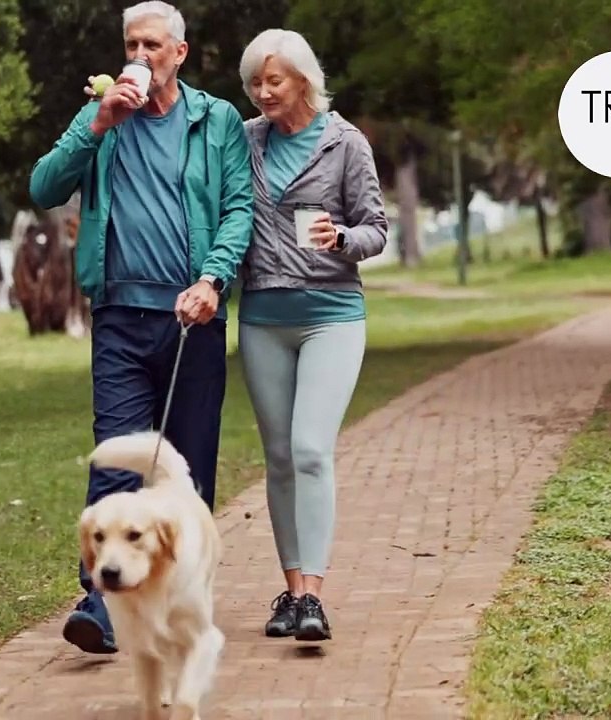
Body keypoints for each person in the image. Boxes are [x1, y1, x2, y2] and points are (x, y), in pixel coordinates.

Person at [28, 0, 254, 654]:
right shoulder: (103, 117)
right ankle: (100, 603)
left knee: (185, 470)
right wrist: (98, 123)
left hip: (193, 319)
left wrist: (212, 279)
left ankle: (178, 598)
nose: (139, 56)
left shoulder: (216, 123)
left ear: (179, 53)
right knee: (117, 462)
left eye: (152, 45)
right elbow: (44, 187)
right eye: (131, 44)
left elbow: (237, 210)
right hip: (121, 318)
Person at [234, 29, 388, 642]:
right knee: (277, 459)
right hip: (263, 318)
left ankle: (317, 598)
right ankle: (292, 592)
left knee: (309, 450)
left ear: (303, 79)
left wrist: (342, 238)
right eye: (255, 82)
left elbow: (376, 228)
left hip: (332, 314)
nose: (263, 92)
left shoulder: (345, 143)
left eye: (274, 80)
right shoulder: (243, 142)